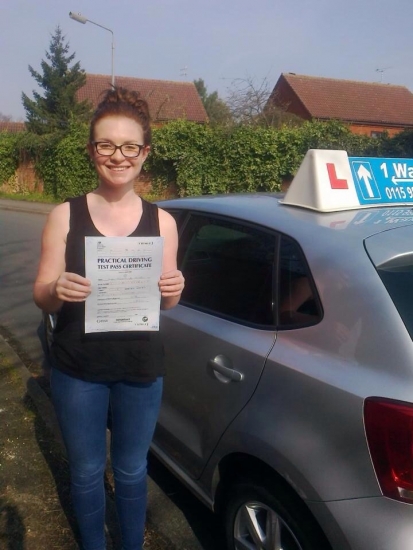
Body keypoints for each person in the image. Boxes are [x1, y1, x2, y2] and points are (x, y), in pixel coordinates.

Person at [33, 87, 185, 550]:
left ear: (145, 153)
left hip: (141, 369)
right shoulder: (64, 215)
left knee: (133, 470)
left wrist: (174, 291)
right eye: (106, 145)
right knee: (84, 471)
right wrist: (56, 290)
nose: (118, 156)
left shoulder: (163, 223)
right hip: (78, 368)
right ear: (91, 150)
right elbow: (41, 293)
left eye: (129, 146)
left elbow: (166, 303)